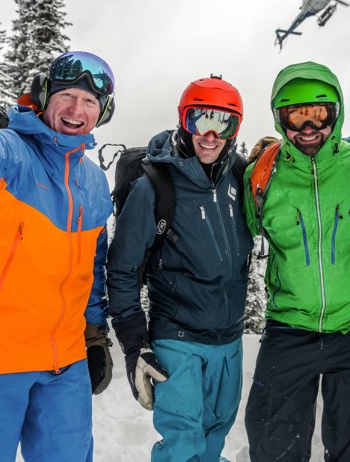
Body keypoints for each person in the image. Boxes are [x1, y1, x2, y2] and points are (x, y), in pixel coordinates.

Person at [0, 51, 117, 462]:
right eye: (67, 95)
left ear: (102, 113)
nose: (76, 109)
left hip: (63, 364)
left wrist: (94, 334)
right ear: (44, 97)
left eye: (89, 102)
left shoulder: (95, 182)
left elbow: (92, 270)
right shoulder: (10, 152)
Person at [243, 62, 350, 462]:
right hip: (289, 328)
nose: (308, 128)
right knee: (273, 447)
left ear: (336, 114)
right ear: (279, 118)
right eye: (296, 116)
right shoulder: (262, 174)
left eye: (319, 114)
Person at [107, 76, 253, 462]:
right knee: (183, 444)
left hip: (229, 338)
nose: (210, 134)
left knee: (215, 433)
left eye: (223, 122)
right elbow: (122, 269)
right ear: (183, 121)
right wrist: (135, 343)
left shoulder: (239, 173)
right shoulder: (154, 185)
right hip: (178, 337)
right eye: (199, 119)